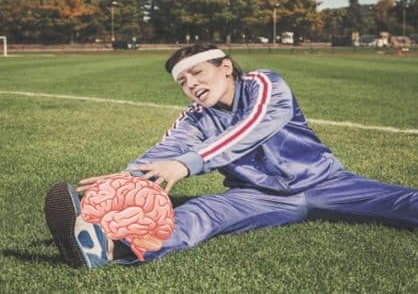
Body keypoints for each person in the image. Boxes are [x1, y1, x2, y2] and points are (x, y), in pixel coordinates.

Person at [45, 43, 418, 268]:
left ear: (225, 67)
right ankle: (106, 247)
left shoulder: (265, 85)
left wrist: (188, 163)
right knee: (199, 214)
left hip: (326, 182)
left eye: (197, 73)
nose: (191, 85)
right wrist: (124, 180)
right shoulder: (195, 118)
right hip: (255, 195)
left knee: (401, 202)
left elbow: (253, 129)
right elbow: (165, 152)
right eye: (182, 81)